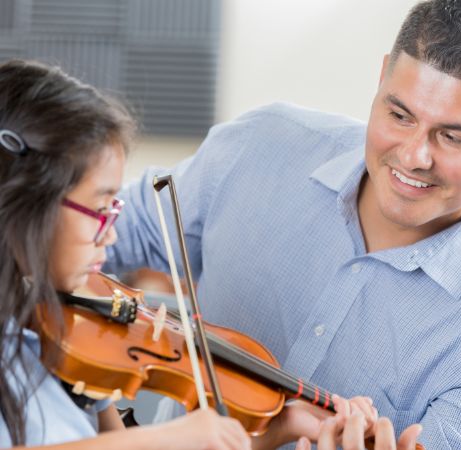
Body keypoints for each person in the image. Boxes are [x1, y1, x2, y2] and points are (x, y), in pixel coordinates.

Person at [105, 0, 461, 448]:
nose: (412, 156)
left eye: (453, 137)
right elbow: (86, 235)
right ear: (382, 77)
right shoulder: (258, 146)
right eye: (399, 115)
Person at [0, 59, 385, 450]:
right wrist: (163, 438)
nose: (111, 234)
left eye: (114, 211)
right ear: (22, 201)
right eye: (100, 211)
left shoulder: (66, 331)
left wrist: (275, 431)